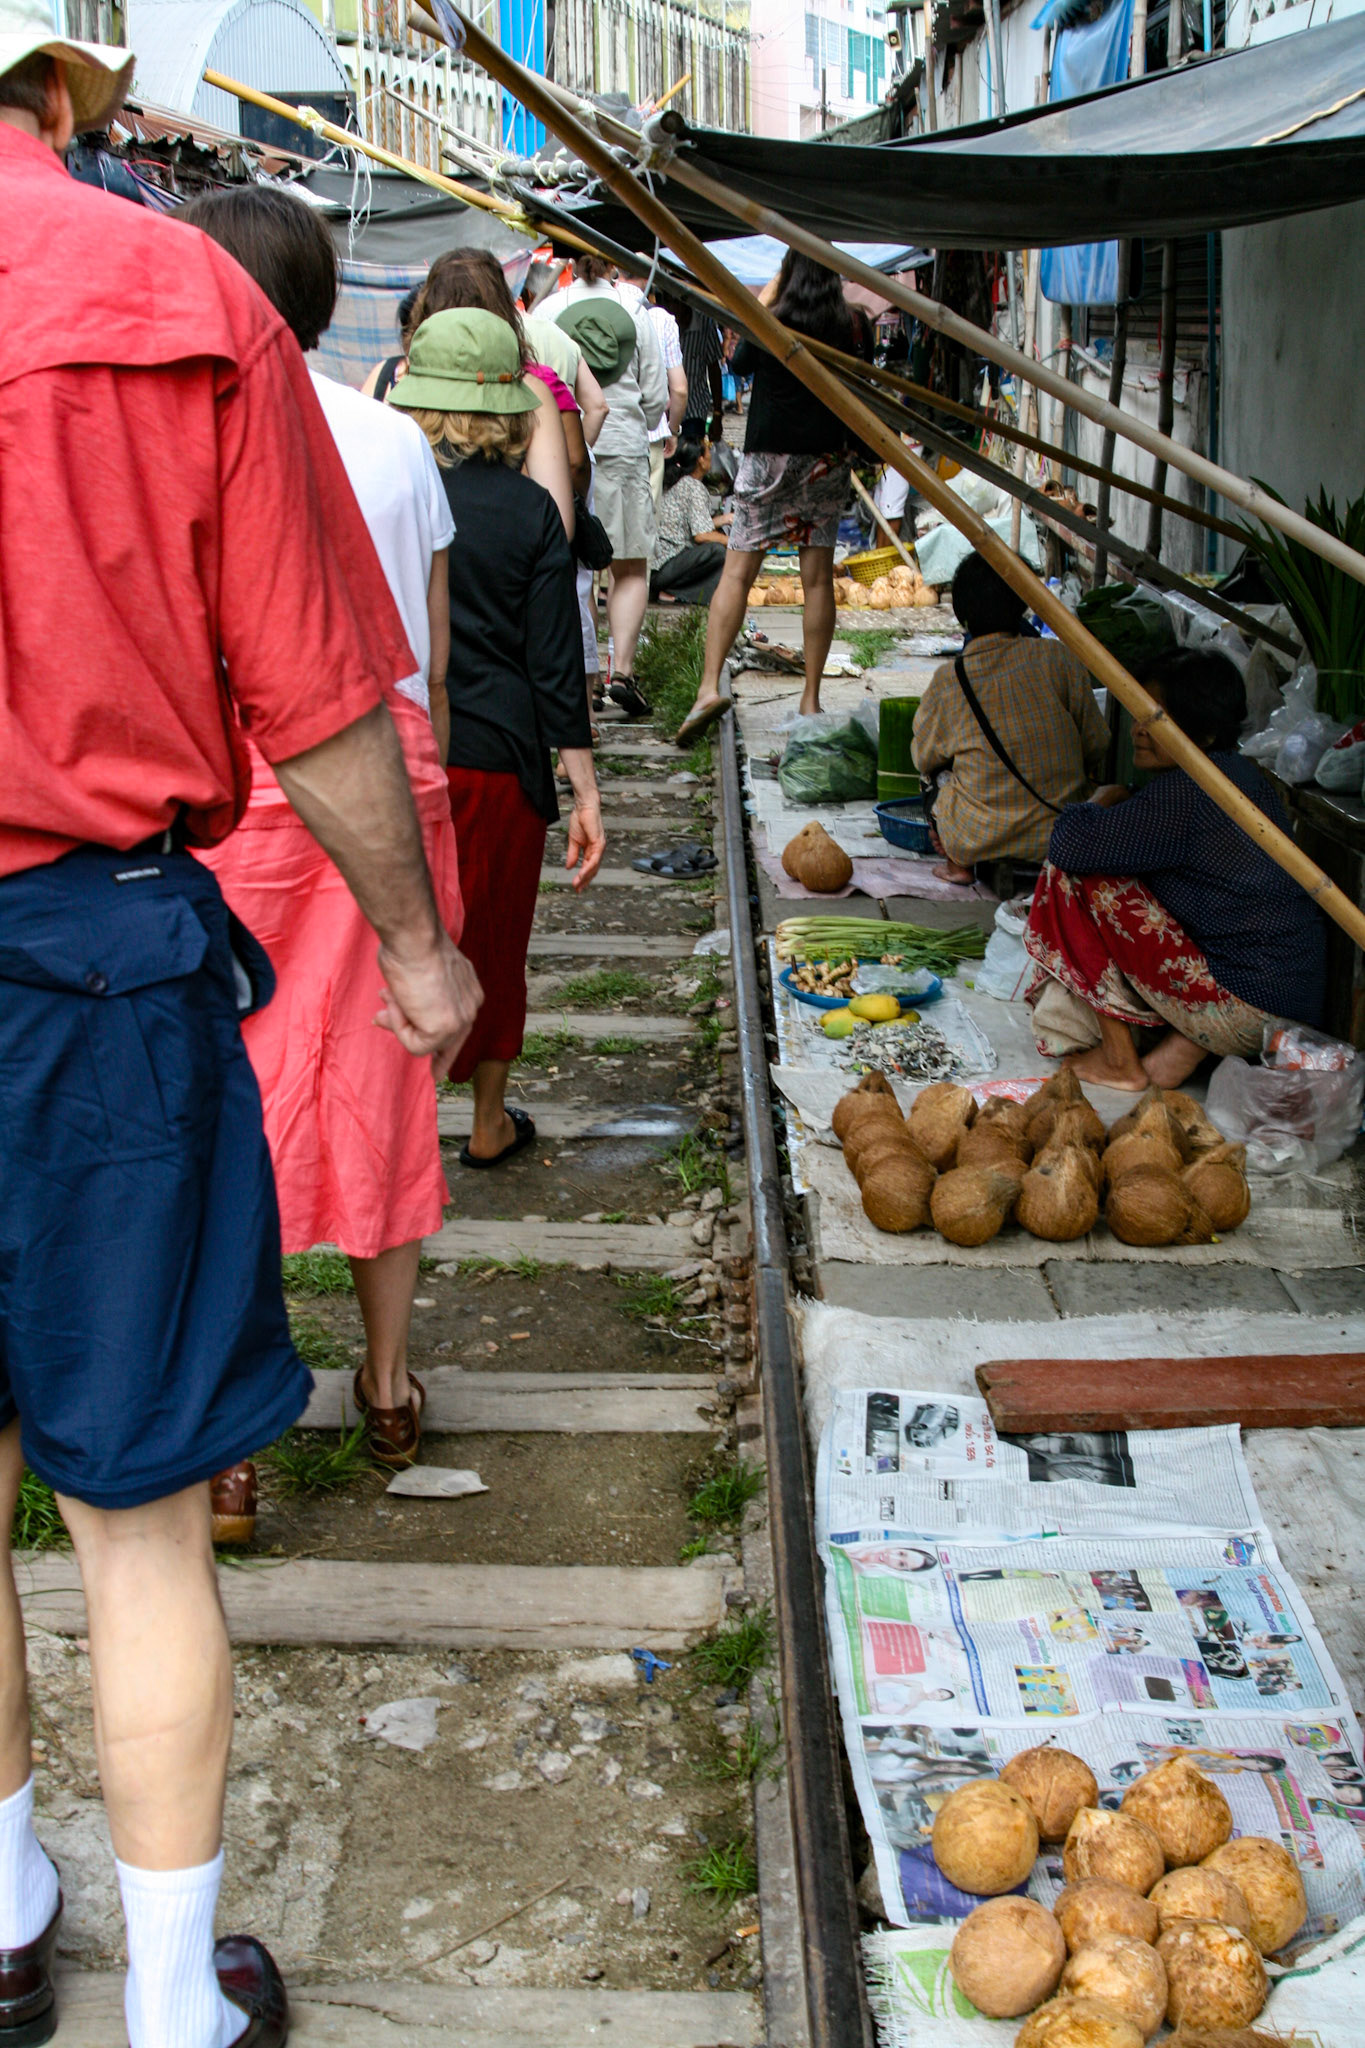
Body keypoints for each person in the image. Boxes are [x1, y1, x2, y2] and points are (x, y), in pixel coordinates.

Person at [0, 25, 478, 2048]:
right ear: (62, 109)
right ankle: (180, 2001)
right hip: (92, 963)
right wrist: (417, 950)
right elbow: (317, 684)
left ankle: (8, 1917)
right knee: (134, 1520)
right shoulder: (172, 294)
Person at [180, 183, 464, 1493]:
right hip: (385, 776)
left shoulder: (181, 425)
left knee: (226, 1089)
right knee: (380, 1078)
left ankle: (232, 1444)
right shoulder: (394, 438)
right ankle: (390, 1384)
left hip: (233, 785)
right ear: (316, 293)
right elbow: (431, 664)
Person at [391, 311, 606, 1165]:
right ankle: (487, 1124)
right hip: (501, 766)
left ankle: (399, 1127)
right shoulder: (530, 513)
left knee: (405, 938)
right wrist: (585, 790)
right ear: (512, 410)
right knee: (494, 945)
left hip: (404, 756)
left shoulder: (393, 495)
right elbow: (556, 668)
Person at [1023, 646, 1328, 1090]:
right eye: (1142, 714)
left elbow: (1069, 845)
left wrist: (1101, 799)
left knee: (1071, 875)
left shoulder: (1188, 794)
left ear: (1203, 734)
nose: (1140, 731)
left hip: (1245, 1005)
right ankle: (1181, 1051)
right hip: (1292, 1000)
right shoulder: (1240, 776)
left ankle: (1119, 1058)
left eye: (1158, 719)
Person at [675, 252, 873, 744]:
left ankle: (706, 688)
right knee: (818, 579)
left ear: (788, 275)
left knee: (739, 573)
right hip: (825, 459)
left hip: (768, 460)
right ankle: (810, 699)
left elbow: (738, 363)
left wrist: (765, 297)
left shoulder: (773, 319)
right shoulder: (853, 324)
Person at [912, 551, 1111, 884]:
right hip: (1062, 835)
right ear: (1022, 603)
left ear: (962, 614)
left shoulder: (950, 679)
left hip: (977, 840)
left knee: (934, 776)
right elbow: (1096, 742)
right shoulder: (1058, 658)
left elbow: (923, 756)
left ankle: (957, 865)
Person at [537, 255, 667, 718]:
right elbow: (656, 393)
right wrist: (641, 422)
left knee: (580, 570)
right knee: (629, 566)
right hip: (626, 444)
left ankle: (588, 679)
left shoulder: (547, 311)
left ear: (569, 260)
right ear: (615, 261)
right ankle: (622, 671)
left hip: (564, 449)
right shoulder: (635, 309)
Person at [618, 270, 689, 509]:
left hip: (602, 435)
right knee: (647, 521)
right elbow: (678, 389)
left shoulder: (596, 306)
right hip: (649, 433)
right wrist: (672, 428)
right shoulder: (661, 319)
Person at [650, 435, 729, 606]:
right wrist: (732, 542)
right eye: (708, 451)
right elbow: (701, 535)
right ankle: (675, 591)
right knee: (718, 551)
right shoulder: (693, 486)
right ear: (700, 460)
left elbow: (691, 525)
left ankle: (670, 590)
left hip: (656, 567)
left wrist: (721, 520)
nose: (710, 456)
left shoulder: (679, 482)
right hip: (665, 568)